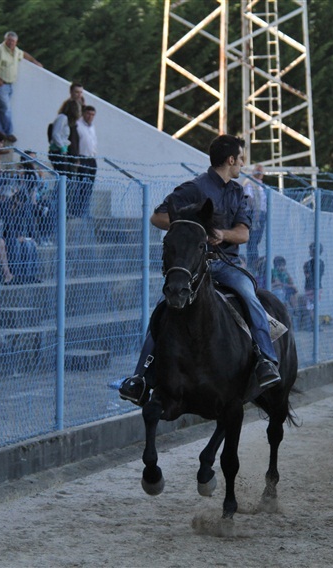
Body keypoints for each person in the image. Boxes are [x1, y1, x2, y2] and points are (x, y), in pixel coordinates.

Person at [118, 134, 280, 405]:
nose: (242, 164)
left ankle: (266, 360)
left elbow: (243, 234)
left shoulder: (239, 192)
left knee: (249, 294)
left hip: (227, 265)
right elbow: (157, 216)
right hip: (193, 267)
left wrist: (221, 234)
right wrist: (191, 230)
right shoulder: (194, 188)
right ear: (231, 160)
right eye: (241, 159)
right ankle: (140, 377)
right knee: (162, 309)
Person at [0, 31, 42, 136]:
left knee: (2, 109)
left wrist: (35, 62)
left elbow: (24, 54)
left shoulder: (15, 51)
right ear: (5, 40)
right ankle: (8, 133)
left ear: (16, 42)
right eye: (9, 40)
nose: (11, 43)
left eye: (13, 41)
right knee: (6, 109)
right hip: (0, 84)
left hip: (9, 85)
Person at [74, 104, 97, 219]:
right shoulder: (78, 125)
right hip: (81, 157)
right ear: (84, 113)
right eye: (88, 114)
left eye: (92, 114)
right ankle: (78, 210)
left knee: (89, 185)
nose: (90, 116)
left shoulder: (92, 127)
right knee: (81, 184)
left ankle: (85, 209)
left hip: (91, 158)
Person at [242, 163, 266, 267]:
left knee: (256, 240)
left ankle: (254, 262)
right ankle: (253, 263)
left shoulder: (260, 184)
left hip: (261, 214)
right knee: (252, 240)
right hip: (253, 214)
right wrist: (254, 212)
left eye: (261, 171)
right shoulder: (250, 182)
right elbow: (249, 197)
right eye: (258, 171)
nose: (260, 173)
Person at [303, 242, 324, 310]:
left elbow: (308, 276)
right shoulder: (321, 262)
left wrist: (305, 268)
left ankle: (314, 320)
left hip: (310, 287)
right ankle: (314, 320)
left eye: (310, 250)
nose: (309, 251)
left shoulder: (309, 263)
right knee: (315, 306)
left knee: (310, 308)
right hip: (318, 287)